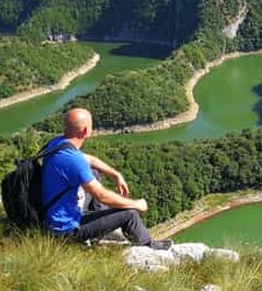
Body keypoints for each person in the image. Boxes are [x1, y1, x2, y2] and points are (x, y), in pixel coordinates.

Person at [41, 107, 172, 249]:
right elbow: (103, 197)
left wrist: (116, 175)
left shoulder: (57, 144)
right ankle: (147, 246)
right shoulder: (74, 160)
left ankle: (98, 229)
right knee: (130, 214)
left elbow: (89, 160)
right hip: (66, 230)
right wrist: (136, 204)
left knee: (94, 173)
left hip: (53, 214)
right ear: (85, 131)